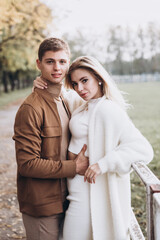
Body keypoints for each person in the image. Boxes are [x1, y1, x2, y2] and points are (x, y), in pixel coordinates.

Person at [34, 55, 154, 240]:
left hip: (88, 195)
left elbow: (143, 149)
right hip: (74, 190)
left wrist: (102, 164)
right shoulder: (84, 105)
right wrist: (42, 82)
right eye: (74, 84)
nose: (79, 88)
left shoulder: (108, 109)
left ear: (98, 78)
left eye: (84, 81)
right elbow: (63, 97)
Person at [13, 38, 89, 240]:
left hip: (68, 198)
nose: (57, 68)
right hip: (42, 204)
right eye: (50, 61)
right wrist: (75, 167)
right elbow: (27, 164)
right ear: (39, 64)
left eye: (62, 62)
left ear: (68, 63)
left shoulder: (65, 99)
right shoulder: (31, 109)